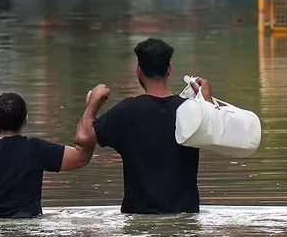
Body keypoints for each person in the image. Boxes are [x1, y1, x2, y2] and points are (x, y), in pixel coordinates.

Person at [74, 38, 215, 214]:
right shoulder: (191, 110)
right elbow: (216, 133)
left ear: (138, 71)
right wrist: (206, 100)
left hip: (138, 218)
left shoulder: (126, 111)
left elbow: (83, 137)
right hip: (185, 217)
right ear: (169, 70)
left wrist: (94, 102)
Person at [0, 90, 106, 218]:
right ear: (26, 119)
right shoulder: (36, 149)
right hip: (28, 225)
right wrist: (91, 109)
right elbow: (81, 157)